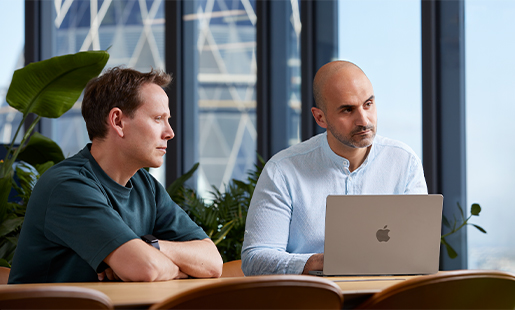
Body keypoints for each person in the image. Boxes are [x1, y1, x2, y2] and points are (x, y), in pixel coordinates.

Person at [8, 67, 223, 283]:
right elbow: (145, 268)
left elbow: (212, 262)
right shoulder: (67, 186)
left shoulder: (145, 185)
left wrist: (152, 247)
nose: (170, 132)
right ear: (118, 121)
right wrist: (174, 267)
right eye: (158, 118)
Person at [241, 61, 427, 276]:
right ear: (320, 117)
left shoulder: (403, 161)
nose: (363, 120)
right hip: (313, 299)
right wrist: (322, 261)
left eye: (368, 104)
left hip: (386, 297)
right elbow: (255, 259)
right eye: (347, 110)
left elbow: (419, 251)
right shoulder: (282, 170)